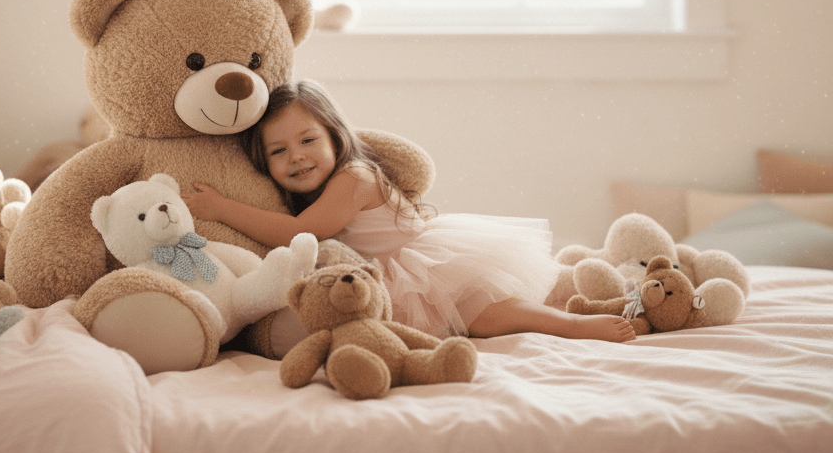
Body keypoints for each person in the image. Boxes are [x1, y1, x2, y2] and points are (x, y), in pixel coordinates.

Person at [182, 80, 635, 343]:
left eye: (307, 141)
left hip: (428, 268)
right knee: (488, 318)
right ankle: (592, 304)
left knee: (491, 317)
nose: (296, 157)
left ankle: (576, 325)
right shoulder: (326, 183)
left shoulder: (353, 178)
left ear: (335, 136)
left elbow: (299, 231)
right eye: (279, 151)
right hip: (395, 274)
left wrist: (219, 207)